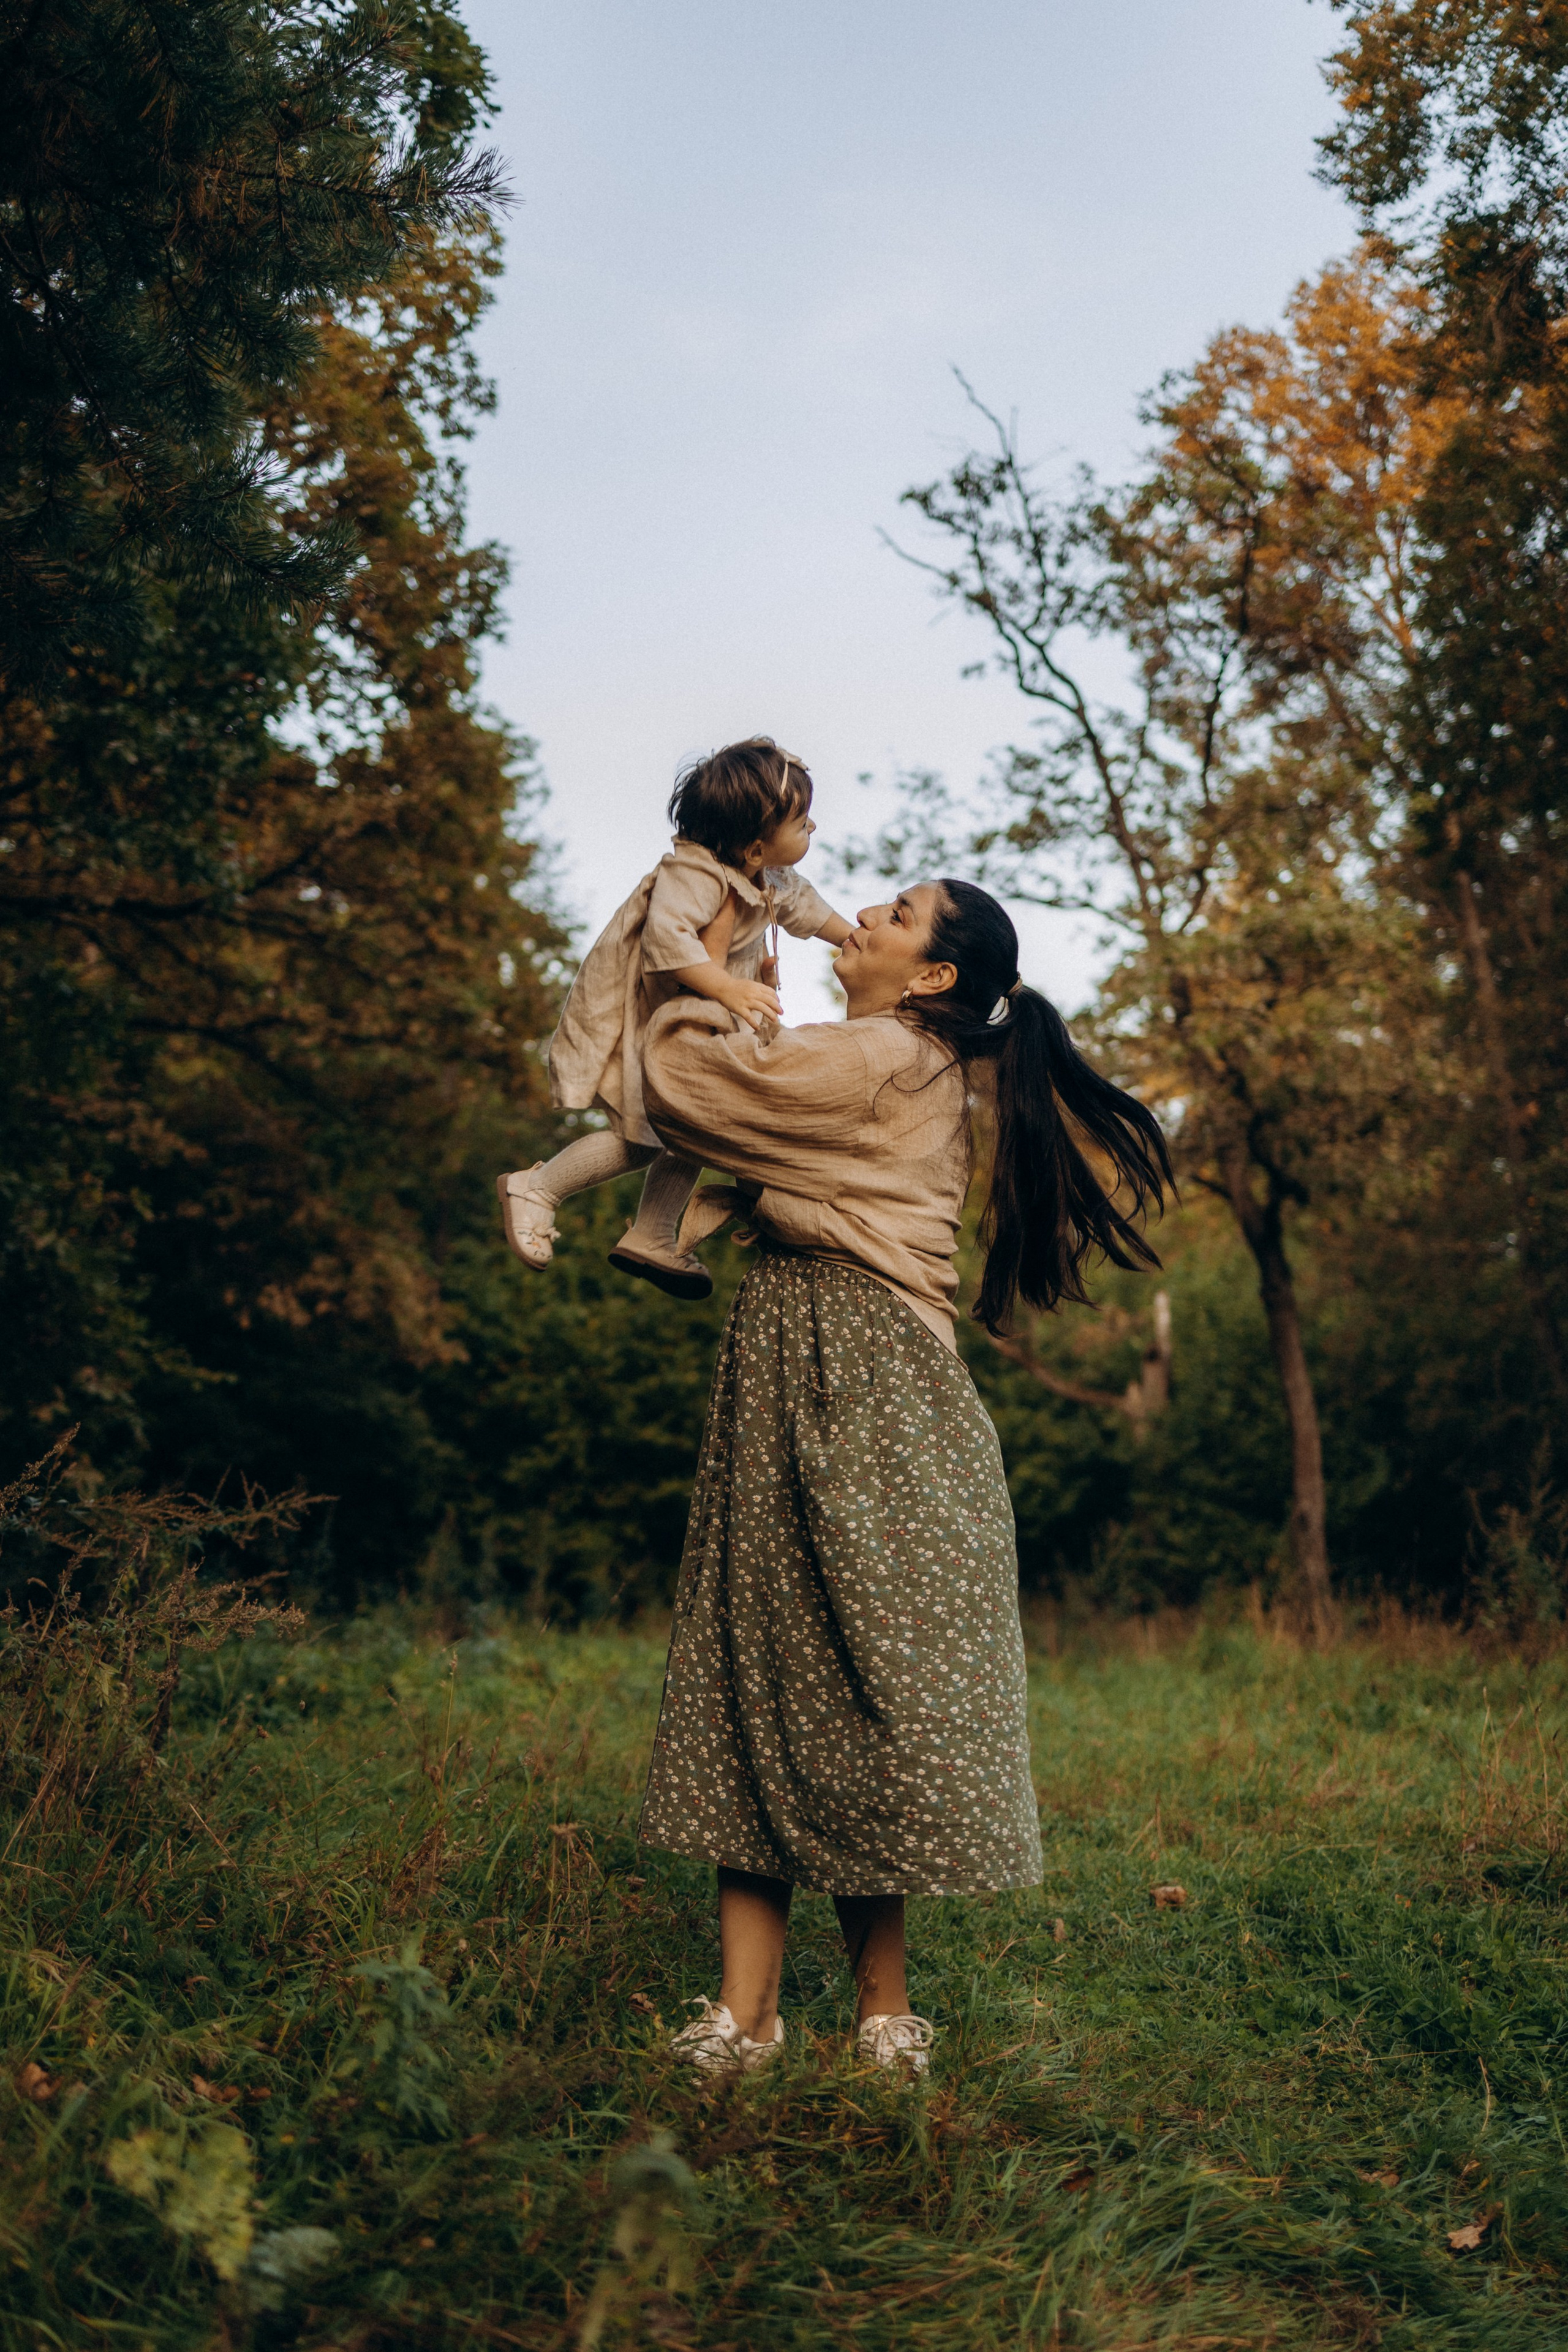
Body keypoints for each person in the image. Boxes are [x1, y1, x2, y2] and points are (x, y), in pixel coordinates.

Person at [635, 876, 1173, 2075]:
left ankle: (799, 2017)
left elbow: (689, 1094)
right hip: (809, 1363)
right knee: (780, 1674)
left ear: (931, 976)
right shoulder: (895, 1057)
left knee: (811, 1677)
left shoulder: (882, 1052)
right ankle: (793, 2016)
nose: (864, 916)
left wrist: (692, 977)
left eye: (895, 911)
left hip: (854, 1375)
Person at [495, 737, 854, 1300]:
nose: (815, 827)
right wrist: (728, 986)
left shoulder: (768, 880)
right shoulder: (693, 873)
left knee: (690, 1129)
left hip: (706, 1020)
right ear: (756, 847)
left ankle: (653, 1232)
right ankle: (537, 1187)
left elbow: (814, 914)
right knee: (643, 1137)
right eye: (802, 820)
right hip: (666, 1021)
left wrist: (860, 940)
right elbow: (668, 938)